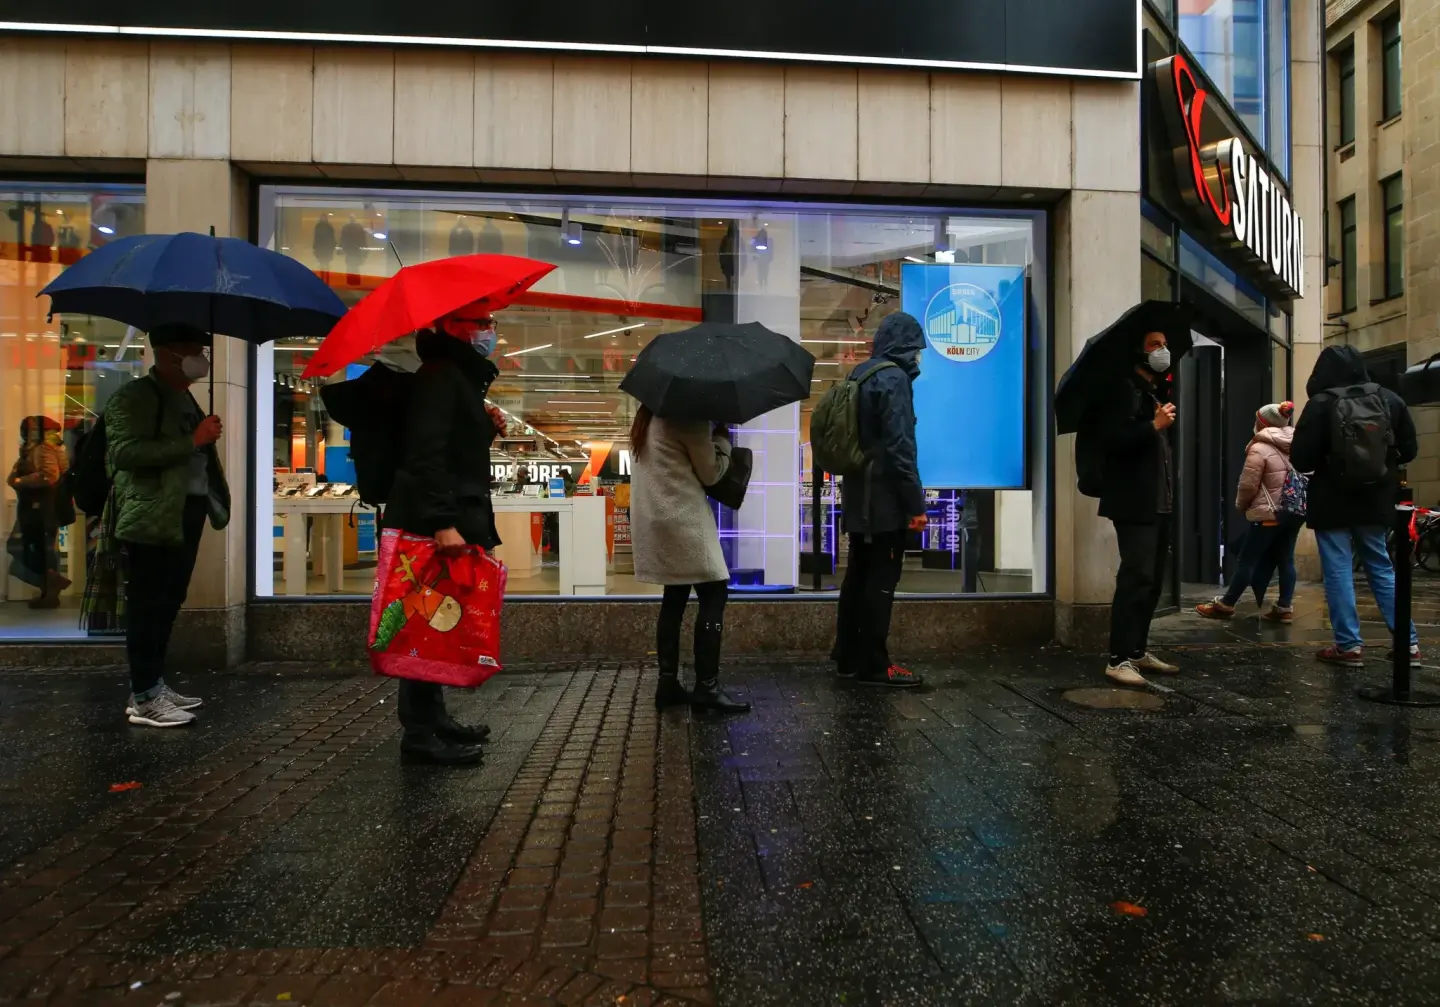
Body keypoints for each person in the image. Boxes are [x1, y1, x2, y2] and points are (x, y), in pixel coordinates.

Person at [382, 306, 505, 764]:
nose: (489, 332)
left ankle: (434, 719)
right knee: (421, 625)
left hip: (444, 516)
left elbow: (454, 453)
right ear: (450, 327)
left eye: (489, 323)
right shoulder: (439, 376)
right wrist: (442, 522)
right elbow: (425, 456)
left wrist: (483, 431)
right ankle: (418, 732)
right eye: (480, 323)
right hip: (432, 526)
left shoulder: (455, 377)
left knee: (435, 623)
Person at [108, 324, 229, 728]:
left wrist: (202, 438)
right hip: (151, 514)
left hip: (186, 510)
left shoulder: (183, 397)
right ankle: (144, 696)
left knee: (168, 601)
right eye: (190, 348)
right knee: (148, 604)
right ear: (165, 353)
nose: (199, 355)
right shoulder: (135, 397)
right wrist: (193, 440)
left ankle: (152, 684)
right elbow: (124, 452)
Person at [1290, 345, 1419, 666]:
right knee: (1381, 567)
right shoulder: (1389, 399)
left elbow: (1301, 458)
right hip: (1375, 499)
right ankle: (1408, 643)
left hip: (1331, 500)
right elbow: (1411, 449)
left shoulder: (1321, 404)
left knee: (1337, 570)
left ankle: (1348, 645)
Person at [629, 406, 749, 713]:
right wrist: (722, 440)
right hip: (683, 518)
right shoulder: (687, 418)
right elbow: (711, 473)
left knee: (675, 595)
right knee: (715, 590)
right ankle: (706, 687)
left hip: (656, 518)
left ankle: (667, 683)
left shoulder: (646, 418)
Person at [832, 312, 928, 688]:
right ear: (905, 346)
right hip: (884, 500)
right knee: (882, 580)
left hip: (858, 496)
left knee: (857, 576)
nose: (919, 357)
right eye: (917, 349)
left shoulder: (860, 374)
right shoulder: (894, 379)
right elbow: (901, 448)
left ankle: (847, 655)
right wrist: (916, 505)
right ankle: (875, 662)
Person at [1093, 327, 1181, 686]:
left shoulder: (1152, 393)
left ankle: (1137, 650)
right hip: (1133, 502)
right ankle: (1117, 659)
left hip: (1159, 501)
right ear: (1140, 352)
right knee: (1135, 577)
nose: (1163, 350)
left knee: (1153, 581)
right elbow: (1111, 440)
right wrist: (1153, 425)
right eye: (1155, 345)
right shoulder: (1119, 390)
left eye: (1165, 343)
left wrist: (1158, 419)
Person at [1196, 402, 1304, 623]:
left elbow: (1248, 485)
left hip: (1267, 514)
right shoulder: (1297, 443)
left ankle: (1226, 604)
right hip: (1292, 512)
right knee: (1286, 560)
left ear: (1262, 423)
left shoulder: (1258, 447)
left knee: (1248, 560)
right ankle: (1284, 607)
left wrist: (1242, 505)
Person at [6, 416, 70, 608]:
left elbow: (49, 476)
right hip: (36, 506)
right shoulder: (35, 449)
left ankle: (52, 584)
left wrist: (20, 482)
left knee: (32, 547)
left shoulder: (43, 448)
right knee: (40, 549)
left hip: (40, 507)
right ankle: (49, 590)